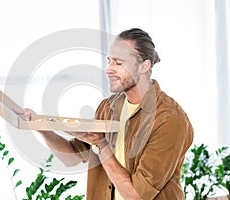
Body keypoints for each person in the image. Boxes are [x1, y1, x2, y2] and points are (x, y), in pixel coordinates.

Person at [14, 28, 194, 200]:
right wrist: (40, 126)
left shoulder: (170, 119)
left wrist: (101, 144)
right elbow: (72, 157)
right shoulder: (108, 107)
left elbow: (137, 195)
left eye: (119, 62)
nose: (109, 69)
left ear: (144, 66)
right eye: (109, 61)